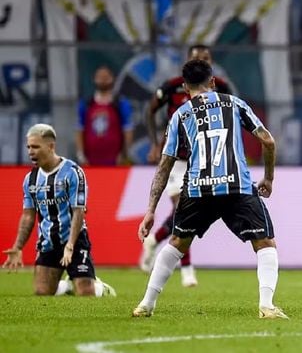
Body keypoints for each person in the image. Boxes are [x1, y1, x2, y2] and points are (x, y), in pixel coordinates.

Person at [132, 59, 286, 319]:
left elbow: (164, 165)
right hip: (236, 185)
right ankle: (267, 306)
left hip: (197, 189)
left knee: (177, 242)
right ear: (213, 82)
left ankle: (146, 304)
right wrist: (268, 178)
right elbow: (268, 141)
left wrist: (150, 211)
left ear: (184, 86)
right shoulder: (235, 103)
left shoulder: (179, 115)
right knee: (265, 243)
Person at [141, 44, 233, 287]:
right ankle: (187, 270)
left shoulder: (221, 88)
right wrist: (153, 144)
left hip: (204, 160)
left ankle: (156, 239)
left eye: (206, 57)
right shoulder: (173, 86)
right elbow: (150, 110)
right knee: (182, 210)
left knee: (190, 212)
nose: (203, 61)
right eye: (198, 58)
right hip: (177, 160)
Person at [2, 124, 116, 297]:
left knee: (86, 293)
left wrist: (70, 245)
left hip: (75, 240)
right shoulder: (30, 180)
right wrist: (18, 247)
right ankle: (66, 286)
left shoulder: (73, 172)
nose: (31, 152)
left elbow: (78, 211)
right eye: (29, 147)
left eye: (35, 147)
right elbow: (28, 216)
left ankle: (100, 288)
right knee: (42, 292)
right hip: (48, 242)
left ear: (51, 146)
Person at [75, 65, 134, 166]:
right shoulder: (86, 104)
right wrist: (81, 155)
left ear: (112, 79)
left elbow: (128, 131)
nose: (103, 80)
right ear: (94, 79)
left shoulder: (121, 104)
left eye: (106, 77)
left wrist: (123, 154)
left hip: (115, 161)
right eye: (100, 77)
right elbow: (79, 131)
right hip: (90, 161)